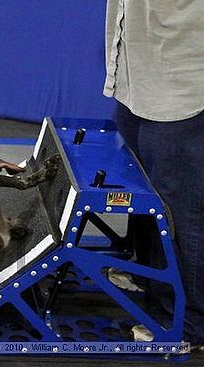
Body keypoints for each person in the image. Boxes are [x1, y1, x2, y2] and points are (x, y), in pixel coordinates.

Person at [103, 0, 203, 348]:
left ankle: (187, 320)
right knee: (146, 190)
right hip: (139, 70)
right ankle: (149, 275)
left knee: (182, 210)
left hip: (184, 83)